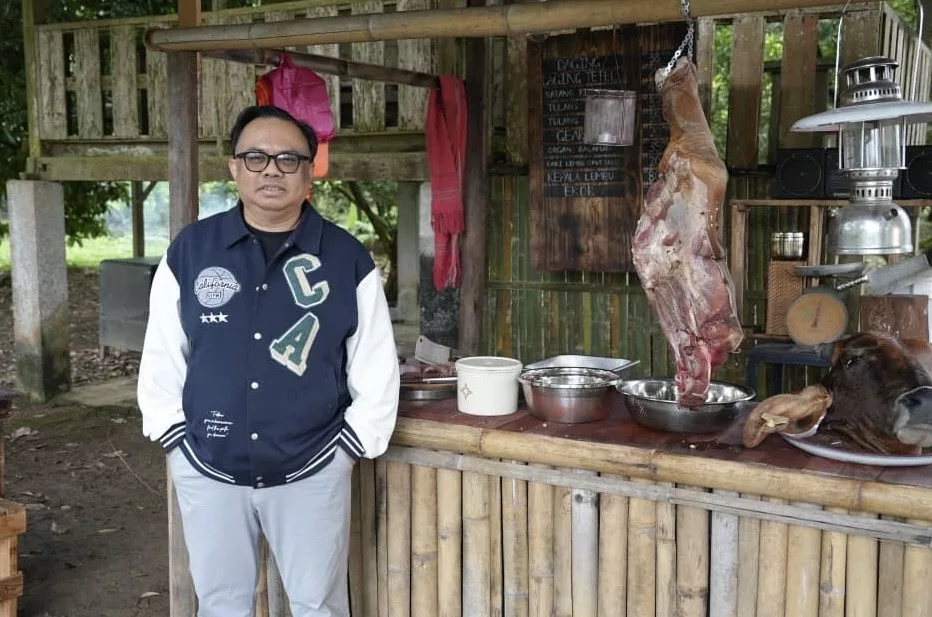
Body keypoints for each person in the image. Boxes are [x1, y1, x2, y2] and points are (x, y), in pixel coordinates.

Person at [137, 105, 400, 617]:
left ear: (309, 171)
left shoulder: (346, 259)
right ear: (234, 168)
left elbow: (376, 367)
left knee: (317, 605)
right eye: (255, 157)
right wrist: (175, 441)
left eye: (288, 158)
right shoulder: (192, 252)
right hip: (207, 464)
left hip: (312, 465)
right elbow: (163, 356)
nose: (271, 170)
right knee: (221, 604)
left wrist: (346, 451)